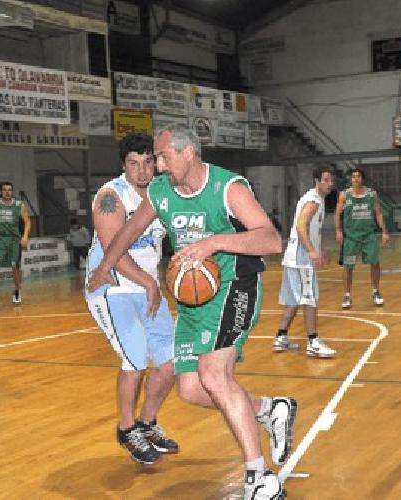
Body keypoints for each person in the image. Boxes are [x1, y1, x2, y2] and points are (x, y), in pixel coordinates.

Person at [87, 124, 296, 499]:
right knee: (193, 389)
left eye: (164, 157)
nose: (159, 166)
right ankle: (270, 409)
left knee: (214, 376)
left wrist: (212, 243)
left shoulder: (228, 188)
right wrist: (107, 265)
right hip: (193, 297)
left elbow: (270, 239)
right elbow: (130, 230)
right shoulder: (162, 192)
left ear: (188, 153)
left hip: (235, 285)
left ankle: (260, 476)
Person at [85, 133, 179, 465]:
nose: (141, 171)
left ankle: (147, 422)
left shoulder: (163, 194)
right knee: (136, 359)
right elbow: (115, 251)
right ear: (123, 165)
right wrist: (151, 284)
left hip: (145, 287)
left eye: (148, 162)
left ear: (157, 162)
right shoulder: (110, 197)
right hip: (111, 288)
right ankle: (127, 428)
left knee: (171, 363)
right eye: (133, 163)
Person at [274, 167, 337, 358]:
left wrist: (320, 249)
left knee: (293, 301)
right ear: (316, 181)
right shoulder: (313, 201)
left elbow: (312, 229)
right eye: (325, 180)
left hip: (294, 257)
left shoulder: (316, 199)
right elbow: (301, 226)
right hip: (301, 258)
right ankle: (313, 341)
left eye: (331, 181)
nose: (329, 184)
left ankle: (281, 337)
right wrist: (311, 250)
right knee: (310, 298)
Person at [334, 168, 390, 308]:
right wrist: (339, 231)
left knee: (375, 263)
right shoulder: (344, 195)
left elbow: (378, 213)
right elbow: (337, 214)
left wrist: (384, 231)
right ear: (350, 179)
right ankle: (347, 295)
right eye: (353, 176)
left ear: (362, 178)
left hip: (368, 235)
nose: (356, 179)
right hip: (351, 237)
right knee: (348, 267)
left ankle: (376, 291)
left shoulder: (371, 194)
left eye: (358, 176)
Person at [0, 181, 31, 307]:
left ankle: (16, 290)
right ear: (1, 191)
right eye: (4, 189)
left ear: (12, 191)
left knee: (15, 268)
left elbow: (27, 222)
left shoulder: (19, 205)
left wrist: (25, 236)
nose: (7, 192)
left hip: (14, 240)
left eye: (9, 189)